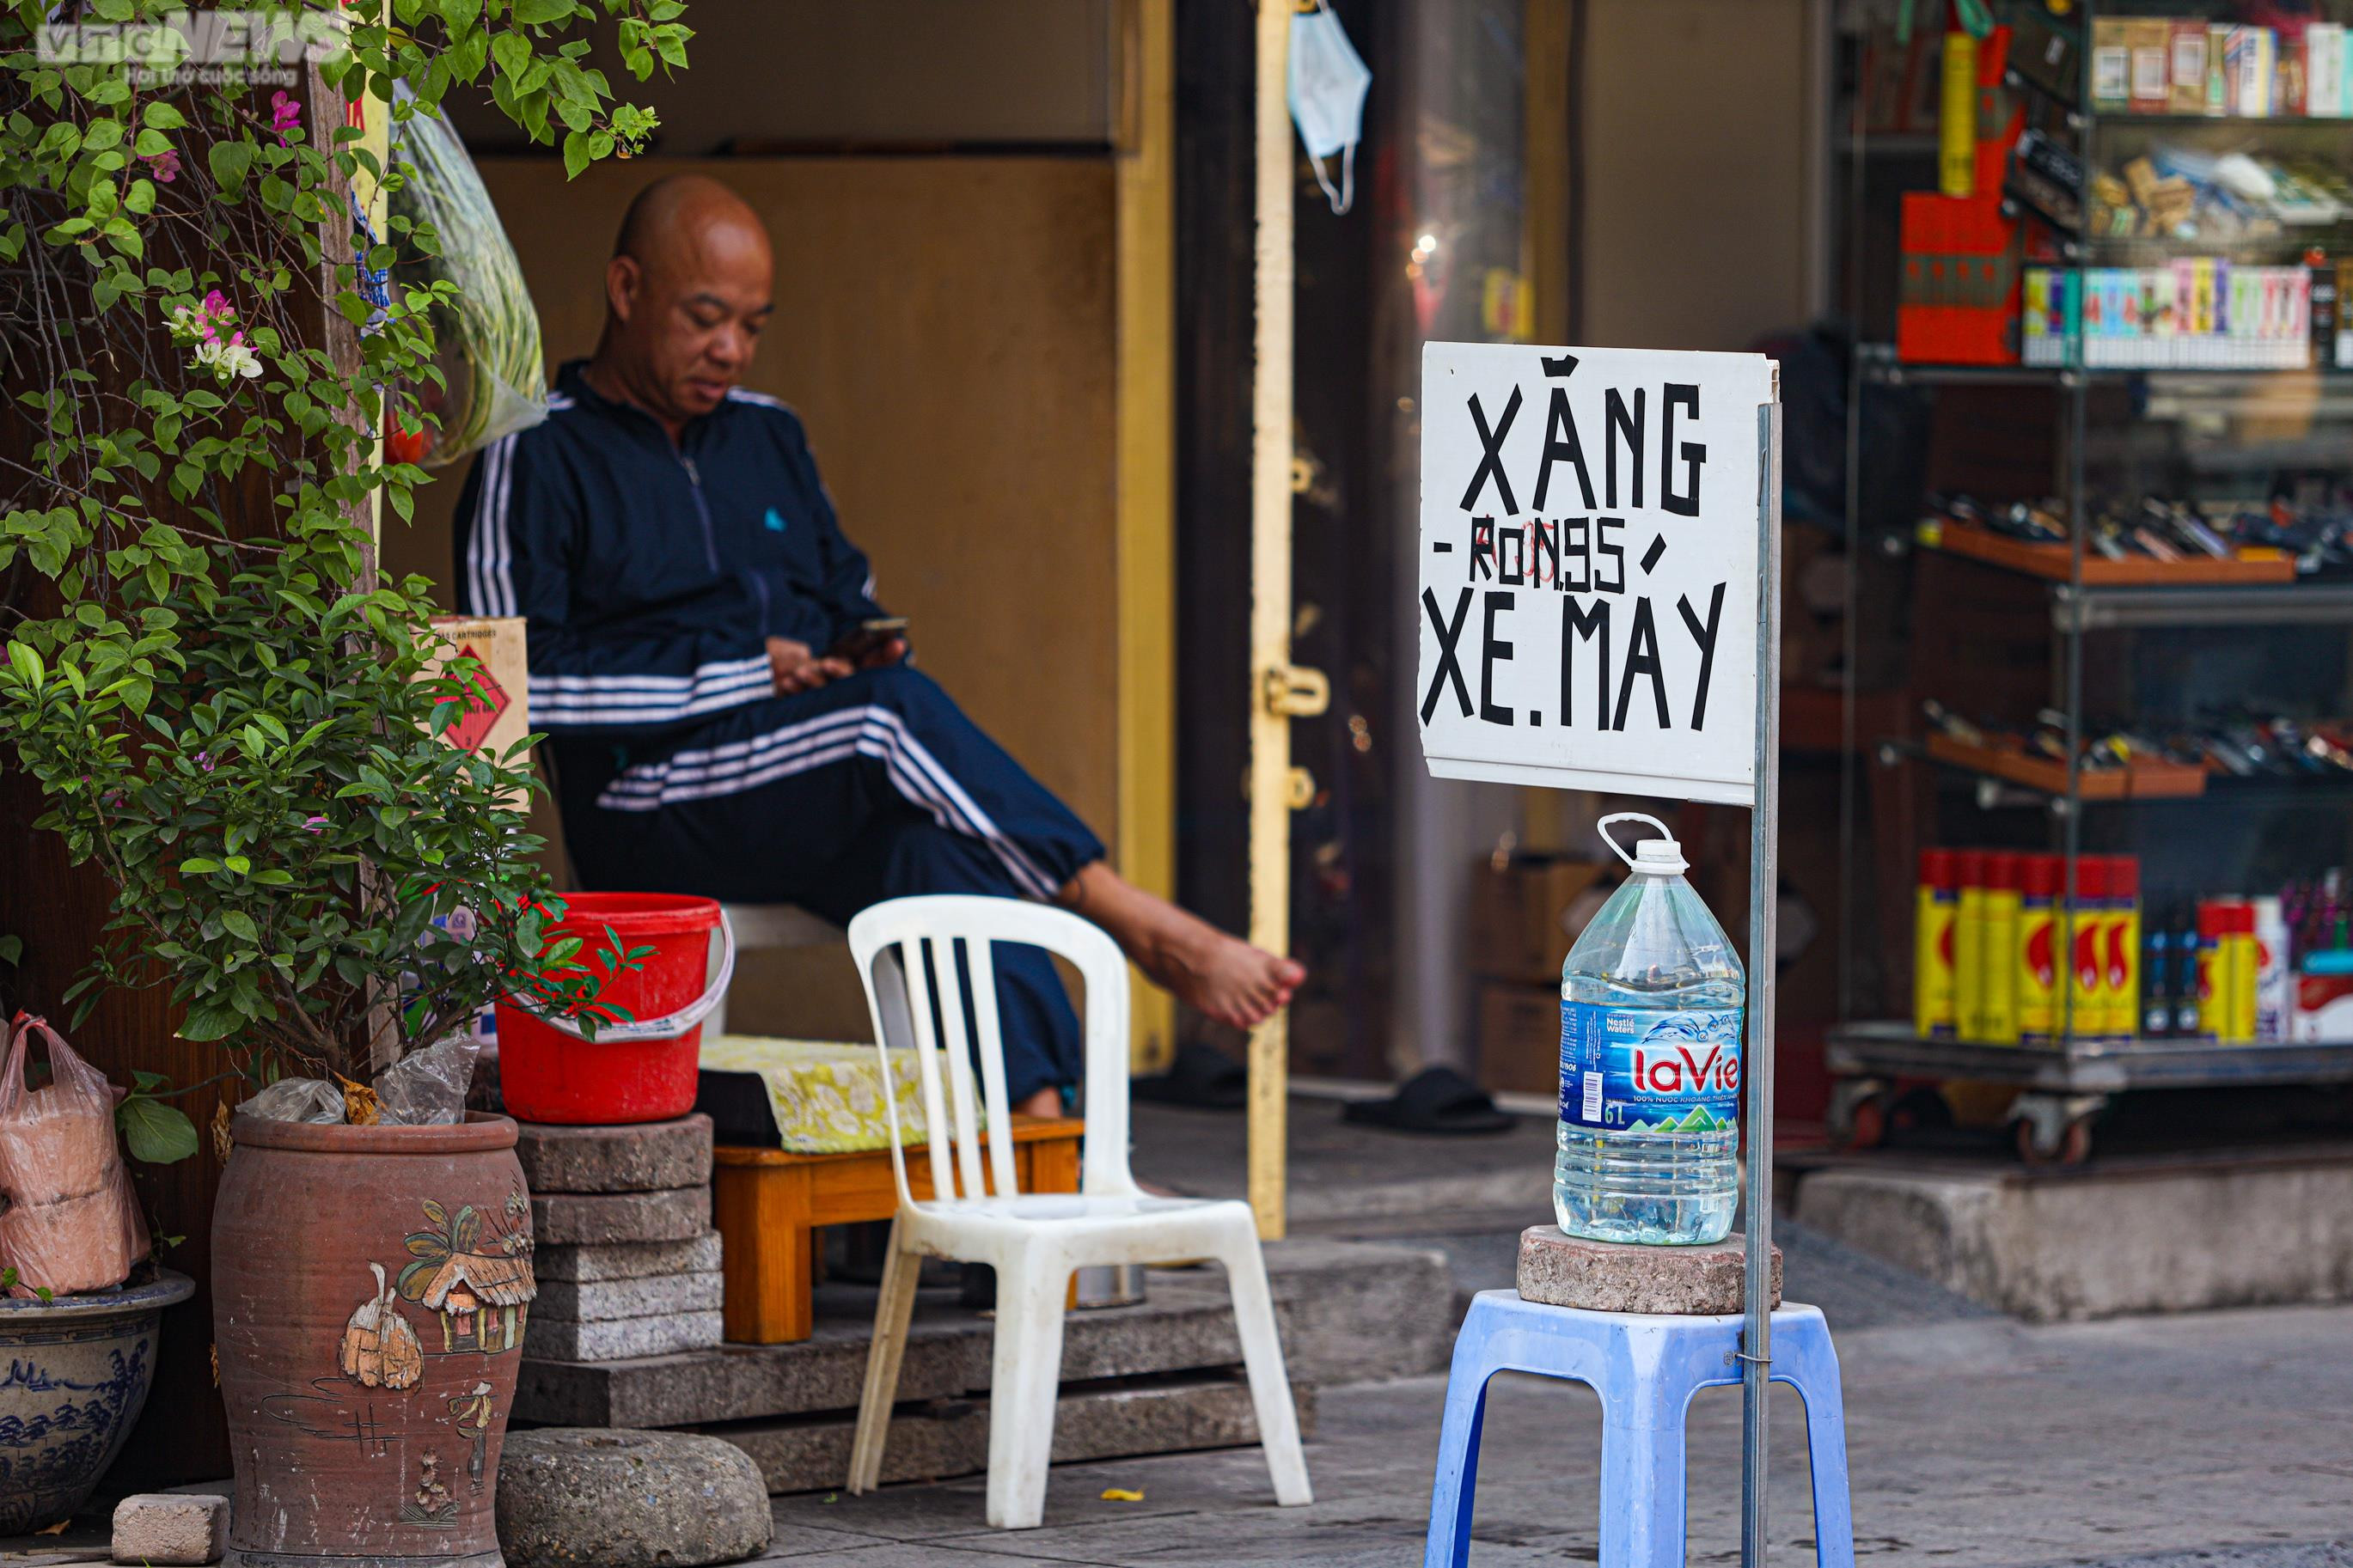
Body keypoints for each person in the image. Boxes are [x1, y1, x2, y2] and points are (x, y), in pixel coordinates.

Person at [454, 174, 1302, 1116]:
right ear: (625, 289)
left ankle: (1041, 1149)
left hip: (806, 782)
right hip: (648, 805)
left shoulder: (769, 436)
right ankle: (1138, 923)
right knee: (887, 725)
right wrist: (743, 671)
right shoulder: (533, 450)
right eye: (704, 318)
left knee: (942, 864)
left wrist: (851, 654)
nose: (728, 350)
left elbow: (842, 596)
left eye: (751, 325)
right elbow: (512, 691)